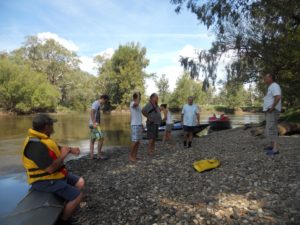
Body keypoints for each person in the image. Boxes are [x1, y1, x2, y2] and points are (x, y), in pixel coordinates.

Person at [22, 114, 84, 225]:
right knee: (77, 196)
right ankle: (64, 221)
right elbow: (50, 169)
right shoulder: (34, 146)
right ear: (46, 127)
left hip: (55, 175)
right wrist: (63, 155)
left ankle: (66, 207)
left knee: (80, 182)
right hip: (43, 181)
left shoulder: (41, 138)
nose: (53, 126)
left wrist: (70, 149)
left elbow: (53, 147)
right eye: (51, 125)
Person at [263, 73, 282, 155]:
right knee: (269, 128)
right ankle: (271, 146)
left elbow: (278, 97)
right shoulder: (271, 86)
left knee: (272, 128)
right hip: (270, 111)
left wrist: (272, 108)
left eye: (266, 77)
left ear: (270, 78)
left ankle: (275, 149)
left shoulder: (274, 85)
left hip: (272, 111)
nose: (264, 79)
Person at [89, 94, 109, 160]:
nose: (105, 103)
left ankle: (91, 156)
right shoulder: (96, 103)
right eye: (105, 101)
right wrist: (94, 123)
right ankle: (99, 155)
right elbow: (92, 112)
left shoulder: (97, 104)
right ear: (103, 98)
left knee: (93, 140)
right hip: (95, 125)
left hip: (92, 124)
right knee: (101, 138)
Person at [129, 92, 143, 162]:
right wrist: (137, 94)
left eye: (140, 97)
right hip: (134, 125)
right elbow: (136, 104)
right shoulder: (132, 103)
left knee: (138, 142)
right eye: (138, 97)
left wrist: (141, 124)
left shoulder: (139, 105)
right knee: (134, 141)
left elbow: (139, 115)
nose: (140, 98)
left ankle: (135, 156)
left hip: (139, 124)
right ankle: (131, 156)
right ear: (135, 98)